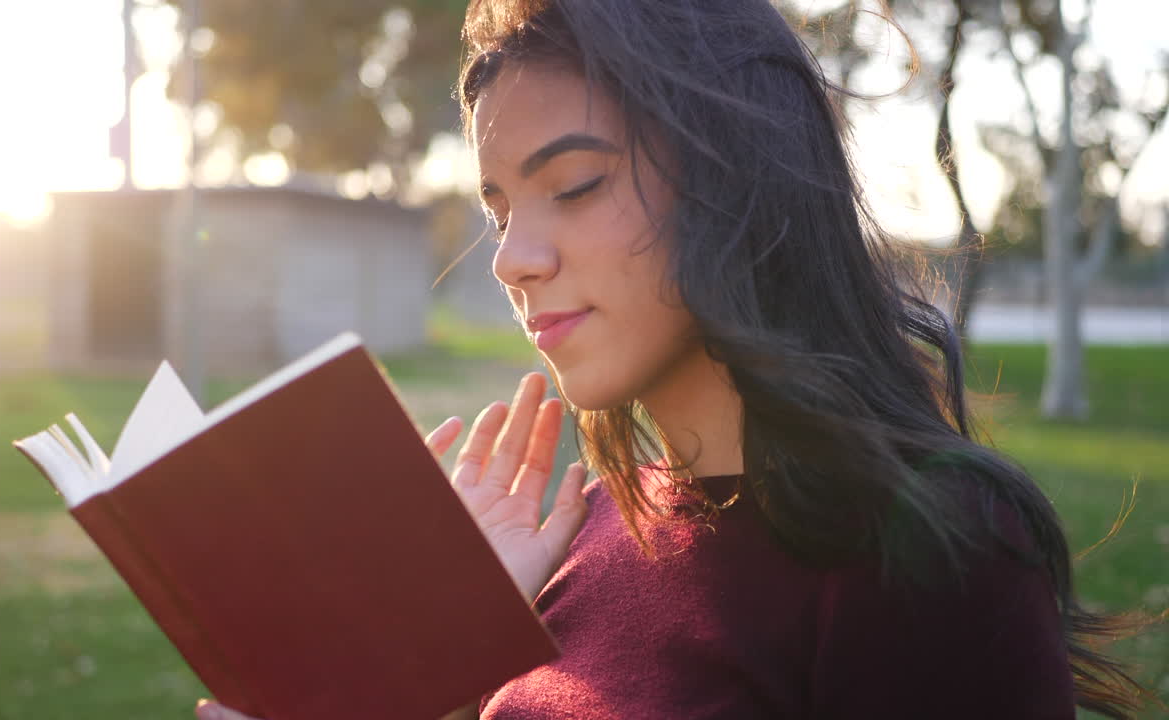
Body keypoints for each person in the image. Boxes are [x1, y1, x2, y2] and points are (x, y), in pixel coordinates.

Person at [194, 1, 1156, 718]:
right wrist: (412, 667)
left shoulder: (929, 548)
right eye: (497, 213)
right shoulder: (593, 529)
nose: (512, 258)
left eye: (572, 186)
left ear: (740, 179)